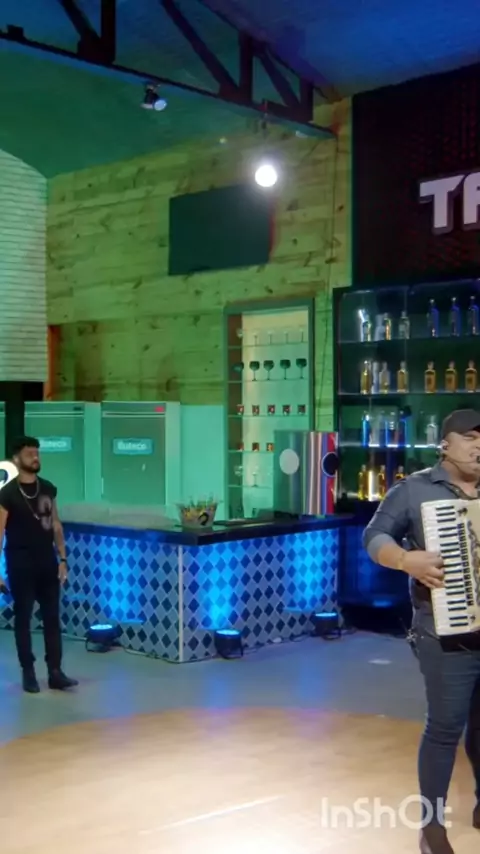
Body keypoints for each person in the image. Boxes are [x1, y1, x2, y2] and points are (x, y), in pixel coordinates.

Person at [363, 409, 480, 854]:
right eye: (470, 437)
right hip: (443, 632)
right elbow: (374, 537)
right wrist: (404, 560)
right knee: (445, 728)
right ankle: (431, 828)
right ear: (444, 443)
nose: (479, 447)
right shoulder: (413, 490)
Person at [0, 436, 78, 694]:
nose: (35, 457)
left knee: (52, 617)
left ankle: (55, 671)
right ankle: (28, 672)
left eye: (37, 453)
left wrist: (63, 558)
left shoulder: (47, 488)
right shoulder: (7, 494)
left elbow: (56, 524)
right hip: (20, 561)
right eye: (29, 453)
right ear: (16, 459)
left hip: (47, 559)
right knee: (23, 617)